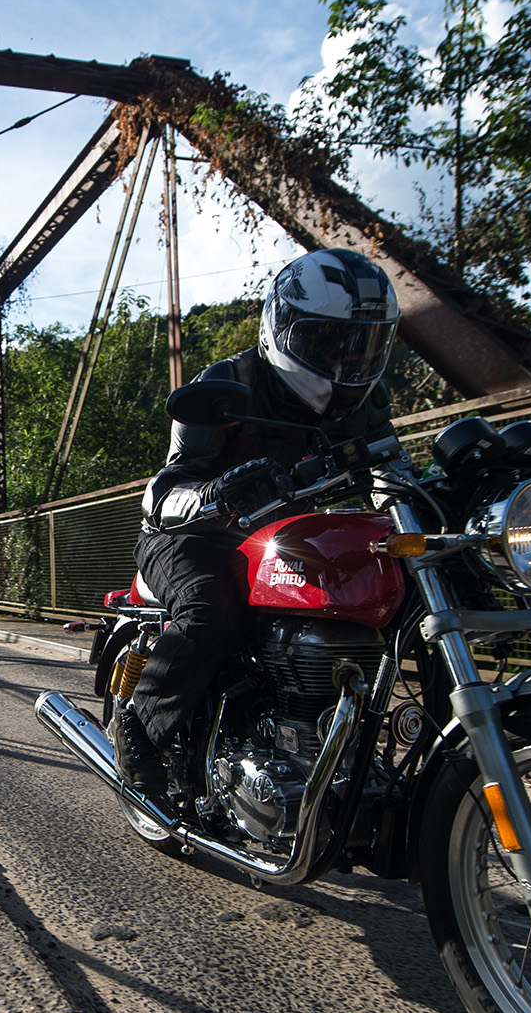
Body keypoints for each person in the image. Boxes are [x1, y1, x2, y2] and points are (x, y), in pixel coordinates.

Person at [113, 248, 403, 812]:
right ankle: (139, 731)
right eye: (328, 342)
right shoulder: (227, 384)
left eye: (361, 344)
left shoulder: (368, 404)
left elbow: (392, 477)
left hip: (283, 540)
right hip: (191, 536)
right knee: (210, 604)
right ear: (283, 325)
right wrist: (215, 494)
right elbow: (161, 493)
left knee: (402, 583)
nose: (346, 361)